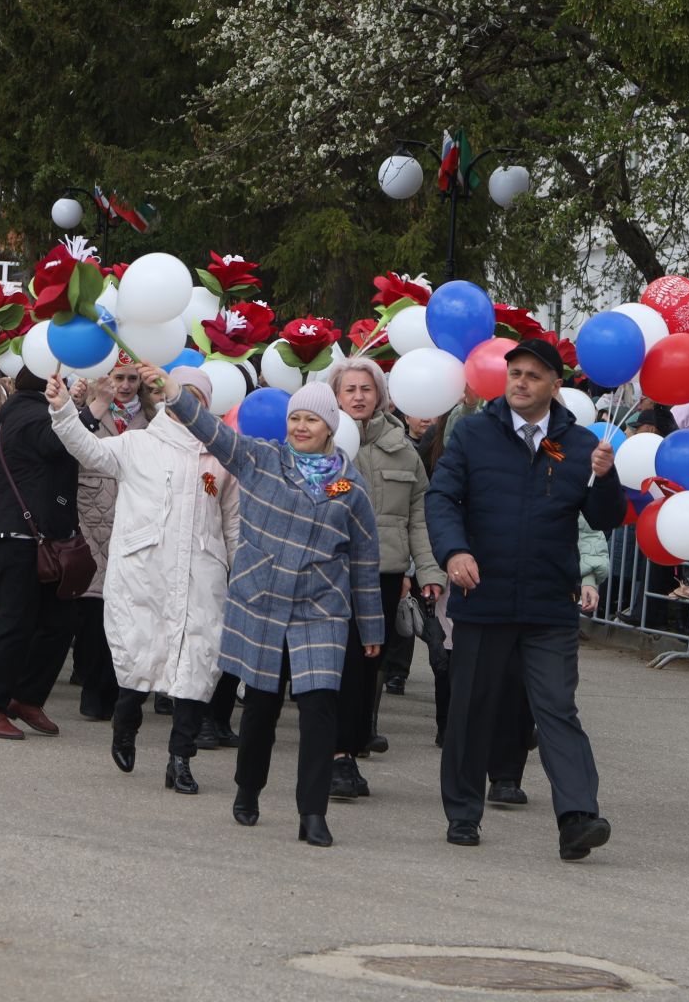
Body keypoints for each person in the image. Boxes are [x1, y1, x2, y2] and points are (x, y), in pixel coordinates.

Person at [152, 368, 382, 847]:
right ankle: (248, 789)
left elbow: (363, 557)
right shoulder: (261, 459)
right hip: (262, 599)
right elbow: (211, 430)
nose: (301, 427)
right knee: (261, 705)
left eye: (311, 421)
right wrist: (174, 392)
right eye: (294, 418)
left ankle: (313, 813)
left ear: (330, 427)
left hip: (321, 608)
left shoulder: (347, 486)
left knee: (320, 709)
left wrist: (372, 624)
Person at [424, 336, 621, 861]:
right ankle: (463, 813)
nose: (521, 382)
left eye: (534, 375)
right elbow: (442, 497)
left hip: (547, 604)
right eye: (515, 373)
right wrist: (454, 552)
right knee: (471, 710)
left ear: (556, 385)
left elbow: (605, 517)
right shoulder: (473, 434)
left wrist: (606, 479)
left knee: (557, 708)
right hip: (482, 597)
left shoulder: (579, 444)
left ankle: (578, 817)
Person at [47, 366, 239, 794]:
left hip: (201, 575)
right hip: (143, 571)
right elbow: (88, 451)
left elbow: (234, 525)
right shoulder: (137, 444)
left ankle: (180, 758)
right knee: (139, 654)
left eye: (198, 399)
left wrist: (239, 572)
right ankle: (126, 720)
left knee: (197, 662)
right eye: (181, 395)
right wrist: (62, 409)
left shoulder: (222, 458)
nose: (189, 405)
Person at [329, 357, 446, 800]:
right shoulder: (322, 444)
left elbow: (419, 517)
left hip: (383, 574)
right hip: (332, 573)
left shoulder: (403, 448)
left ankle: (350, 750)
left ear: (380, 396)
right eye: (349, 390)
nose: (358, 397)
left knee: (367, 668)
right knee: (341, 666)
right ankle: (337, 755)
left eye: (366, 389)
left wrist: (429, 571)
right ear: (336, 396)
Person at [0, 363, 82, 738]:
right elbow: (60, 443)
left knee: (59, 623)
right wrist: (90, 409)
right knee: (15, 624)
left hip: (45, 534)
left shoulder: (27, 411)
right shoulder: (29, 414)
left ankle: (27, 698)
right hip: (20, 535)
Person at [67, 363, 154, 722]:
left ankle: (117, 687)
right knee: (92, 607)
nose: (126, 385)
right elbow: (68, 441)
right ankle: (90, 684)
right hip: (90, 514)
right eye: (119, 378)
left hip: (133, 517)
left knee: (126, 611)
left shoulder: (151, 418)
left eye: (132, 379)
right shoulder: (89, 411)